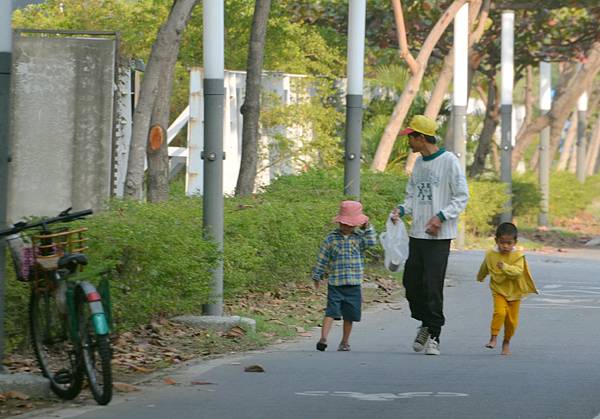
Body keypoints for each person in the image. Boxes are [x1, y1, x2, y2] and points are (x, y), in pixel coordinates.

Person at [391, 115, 469, 356]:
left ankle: (434, 333)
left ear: (421, 137)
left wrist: (441, 217)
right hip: (417, 234)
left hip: (439, 237)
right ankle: (426, 321)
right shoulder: (419, 164)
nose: (409, 143)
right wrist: (401, 210)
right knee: (411, 284)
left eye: (411, 138)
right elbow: (412, 195)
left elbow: (462, 195)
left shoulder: (449, 162)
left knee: (432, 287)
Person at [312, 200, 377, 352]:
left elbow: (372, 242)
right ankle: (323, 338)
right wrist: (317, 275)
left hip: (354, 283)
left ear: (356, 224)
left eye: (350, 224)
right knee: (331, 311)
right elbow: (322, 258)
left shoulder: (360, 238)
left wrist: (368, 227)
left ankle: (345, 341)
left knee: (349, 314)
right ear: (339, 222)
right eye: (344, 223)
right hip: (336, 283)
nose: (346, 227)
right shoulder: (331, 238)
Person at [477, 222, 538, 355]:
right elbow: (485, 266)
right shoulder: (491, 254)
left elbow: (518, 272)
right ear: (496, 240)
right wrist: (480, 276)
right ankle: (493, 337)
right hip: (498, 289)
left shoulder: (518, 256)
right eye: (502, 242)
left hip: (515, 292)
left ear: (514, 242)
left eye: (509, 243)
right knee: (500, 313)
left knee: (512, 321)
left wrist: (505, 267)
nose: (505, 246)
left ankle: (506, 342)